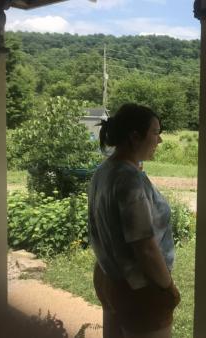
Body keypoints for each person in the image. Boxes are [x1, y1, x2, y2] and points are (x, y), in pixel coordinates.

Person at [88, 103, 180, 338]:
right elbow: (145, 248)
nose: (159, 141)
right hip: (140, 289)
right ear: (134, 137)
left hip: (109, 279)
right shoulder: (129, 180)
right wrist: (167, 288)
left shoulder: (104, 171)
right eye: (155, 133)